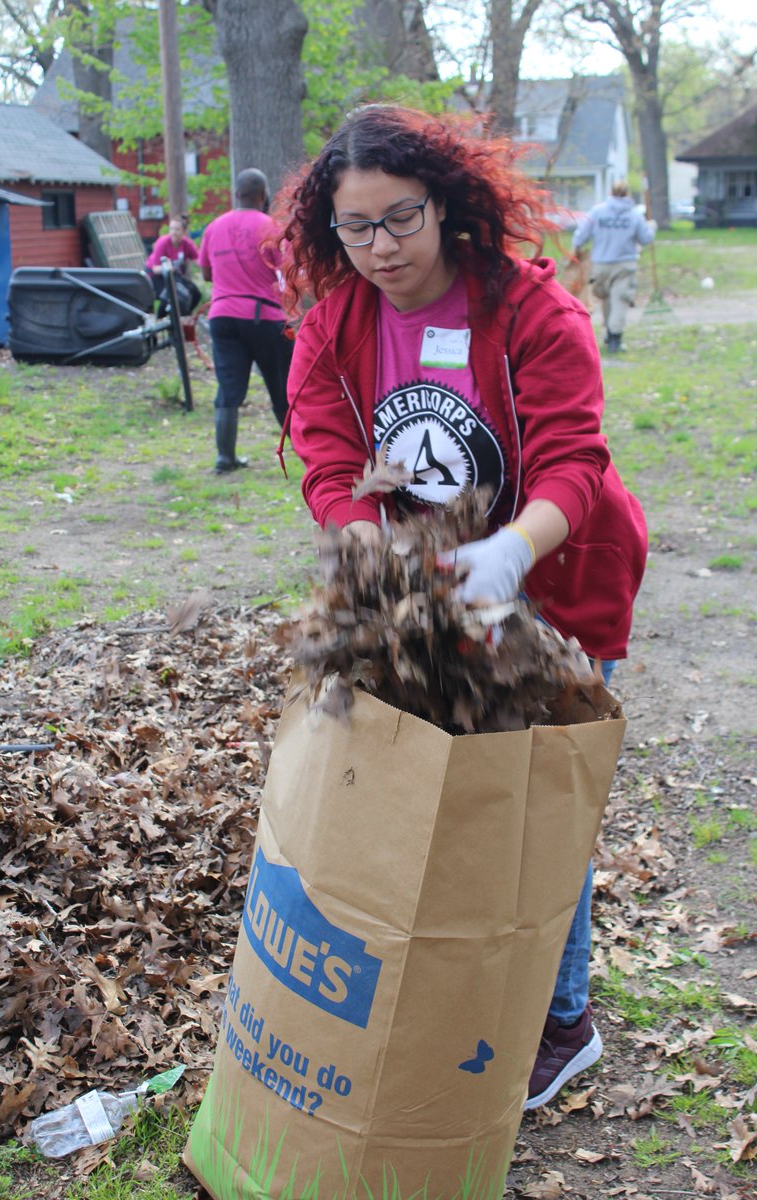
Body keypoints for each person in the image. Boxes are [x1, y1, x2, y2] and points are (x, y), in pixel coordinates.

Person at [276, 105, 648, 1112]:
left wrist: (506, 555)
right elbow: (318, 440)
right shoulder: (337, 322)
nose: (379, 248)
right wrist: (357, 531)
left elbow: (574, 460)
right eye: (354, 229)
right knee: (452, 798)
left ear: (442, 204)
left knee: (537, 801)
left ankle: (562, 1020)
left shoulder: (529, 312)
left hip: (556, 574)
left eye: (398, 219)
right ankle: (468, 984)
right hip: (423, 584)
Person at [198, 168, 294, 473]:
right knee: (283, 390)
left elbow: (205, 274)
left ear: (235, 193)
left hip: (223, 318)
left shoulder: (214, 227)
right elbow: (289, 273)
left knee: (228, 391)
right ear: (263, 195)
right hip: (264, 318)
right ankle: (309, 455)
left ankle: (224, 459)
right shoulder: (271, 227)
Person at [572, 181, 656, 353]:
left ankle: (611, 334)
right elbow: (646, 239)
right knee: (620, 300)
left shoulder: (598, 212)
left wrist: (577, 249)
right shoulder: (634, 215)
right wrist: (651, 226)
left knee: (607, 298)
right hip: (625, 265)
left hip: (600, 265)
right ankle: (614, 337)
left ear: (611, 192)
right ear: (627, 194)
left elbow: (580, 236)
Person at [145, 215, 202, 314]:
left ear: (183, 231)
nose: (173, 232)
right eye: (171, 229)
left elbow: (199, 261)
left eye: (177, 229)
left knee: (195, 294)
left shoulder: (186, 244)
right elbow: (155, 269)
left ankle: (184, 319)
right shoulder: (163, 243)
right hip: (156, 276)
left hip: (172, 275)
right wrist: (169, 268)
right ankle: (162, 320)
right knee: (172, 295)